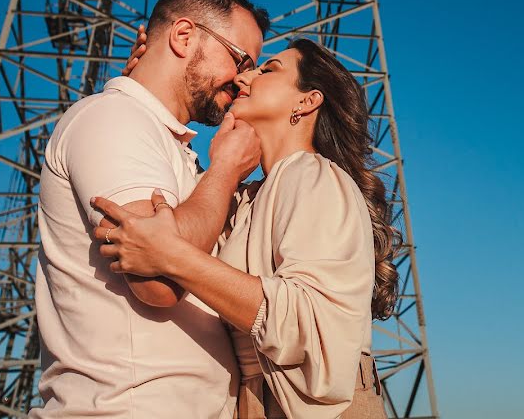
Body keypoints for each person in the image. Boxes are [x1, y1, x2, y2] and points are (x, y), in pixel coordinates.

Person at [90, 38, 398, 418]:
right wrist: (143, 92)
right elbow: (190, 239)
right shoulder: (245, 198)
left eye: (268, 70)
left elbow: (306, 320)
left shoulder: (315, 177)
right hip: (255, 401)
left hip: (323, 408)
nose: (245, 75)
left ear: (306, 102)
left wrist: (173, 257)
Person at [30, 0, 269, 418]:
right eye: (241, 60)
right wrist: (226, 171)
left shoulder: (162, 141)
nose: (244, 80)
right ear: (183, 36)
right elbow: (157, 284)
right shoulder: (113, 118)